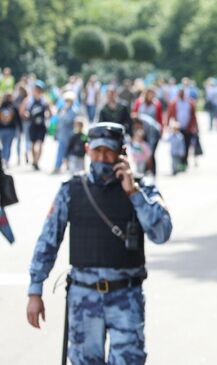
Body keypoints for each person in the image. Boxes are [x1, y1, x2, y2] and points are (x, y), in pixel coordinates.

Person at [26, 122, 172, 364]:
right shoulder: (71, 190)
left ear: (122, 152)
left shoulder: (143, 189)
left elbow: (162, 233)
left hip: (126, 296)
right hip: (84, 297)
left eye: (109, 151)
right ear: (87, 150)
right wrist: (35, 290)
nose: (102, 157)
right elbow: (48, 240)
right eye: (97, 151)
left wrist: (133, 193)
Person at [23, 80, 51, 171]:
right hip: (32, 125)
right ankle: (34, 161)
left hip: (41, 125)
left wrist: (48, 115)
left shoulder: (44, 100)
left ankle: (37, 162)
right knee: (33, 144)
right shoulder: (30, 100)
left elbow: (50, 111)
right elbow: (24, 110)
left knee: (40, 144)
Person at [166, 89, 198, 170]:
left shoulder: (190, 103)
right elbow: (169, 114)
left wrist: (195, 127)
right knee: (176, 146)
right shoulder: (174, 103)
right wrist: (167, 125)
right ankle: (177, 163)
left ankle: (184, 163)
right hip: (177, 128)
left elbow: (193, 116)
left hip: (188, 128)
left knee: (186, 146)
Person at [53, 91, 80, 174]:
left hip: (69, 135)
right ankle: (58, 167)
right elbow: (58, 122)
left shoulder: (74, 111)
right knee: (61, 151)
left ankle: (65, 166)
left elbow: (68, 121)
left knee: (67, 152)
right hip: (62, 134)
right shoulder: (62, 110)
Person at [0, 92, 22, 166]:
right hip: (11, 129)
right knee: (8, 145)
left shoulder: (1, 107)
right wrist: (20, 129)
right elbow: (18, 119)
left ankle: (4, 158)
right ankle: (6, 159)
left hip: (2, 129)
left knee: (4, 145)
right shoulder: (14, 106)